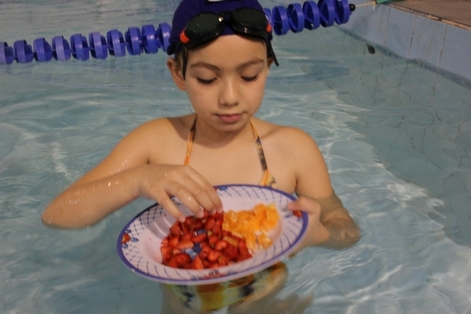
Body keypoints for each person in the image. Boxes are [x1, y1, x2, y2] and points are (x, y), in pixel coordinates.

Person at [42, 0, 360, 253]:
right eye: (207, 79)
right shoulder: (156, 142)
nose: (230, 97)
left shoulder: (294, 148)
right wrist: (137, 179)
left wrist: (318, 235)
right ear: (178, 74)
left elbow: (345, 229)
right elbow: (58, 215)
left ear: (268, 67)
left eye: (250, 75)